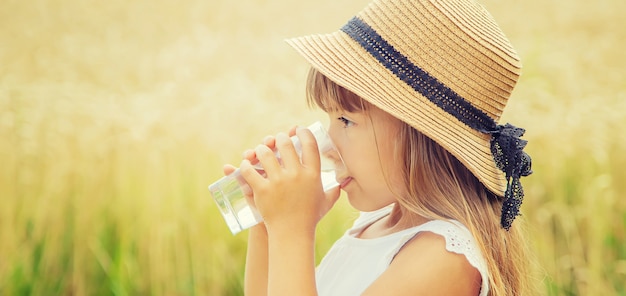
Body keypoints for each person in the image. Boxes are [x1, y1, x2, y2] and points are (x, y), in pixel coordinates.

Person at [222, 0, 536, 295]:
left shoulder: (442, 258)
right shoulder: (375, 227)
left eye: (346, 120)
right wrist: (269, 225)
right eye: (329, 118)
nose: (329, 148)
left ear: (419, 135)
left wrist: (293, 232)